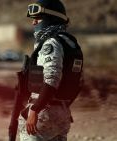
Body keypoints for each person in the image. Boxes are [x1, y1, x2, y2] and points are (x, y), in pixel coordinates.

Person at [18, 0, 83, 141]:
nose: (33, 23)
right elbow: (78, 82)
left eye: (37, 18)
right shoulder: (70, 43)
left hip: (43, 112)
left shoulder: (51, 44)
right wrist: (63, 106)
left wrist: (35, 110)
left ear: (51, 18)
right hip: (62, 112)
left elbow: (51, 79)